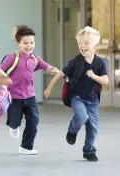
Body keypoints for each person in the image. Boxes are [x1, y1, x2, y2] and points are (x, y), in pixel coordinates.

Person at [44, 26, 108, 162]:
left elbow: (106, 81)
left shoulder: (100, 63)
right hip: (77, 97)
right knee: (82, 117)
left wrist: (94, 76)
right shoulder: (76, 62)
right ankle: (72, 130)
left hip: (93, 100)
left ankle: (89, 151)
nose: (82, 46)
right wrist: (49, 88)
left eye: (86, 43)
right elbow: (61, 74)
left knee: (93, 127)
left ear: (95, 45)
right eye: (80, 43)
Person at [0, 26, 59, 155]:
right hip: (14, 97)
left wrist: (54, 69)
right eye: (25, 43)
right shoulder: (12, 58)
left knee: (34, 120)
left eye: (32, 43)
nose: (29, 46)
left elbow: (46, 66)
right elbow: (0, 71)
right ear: (18, 44)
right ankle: (14, 126)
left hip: (30, 96)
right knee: (15, 120)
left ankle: (26, 147)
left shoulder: (35, 58)